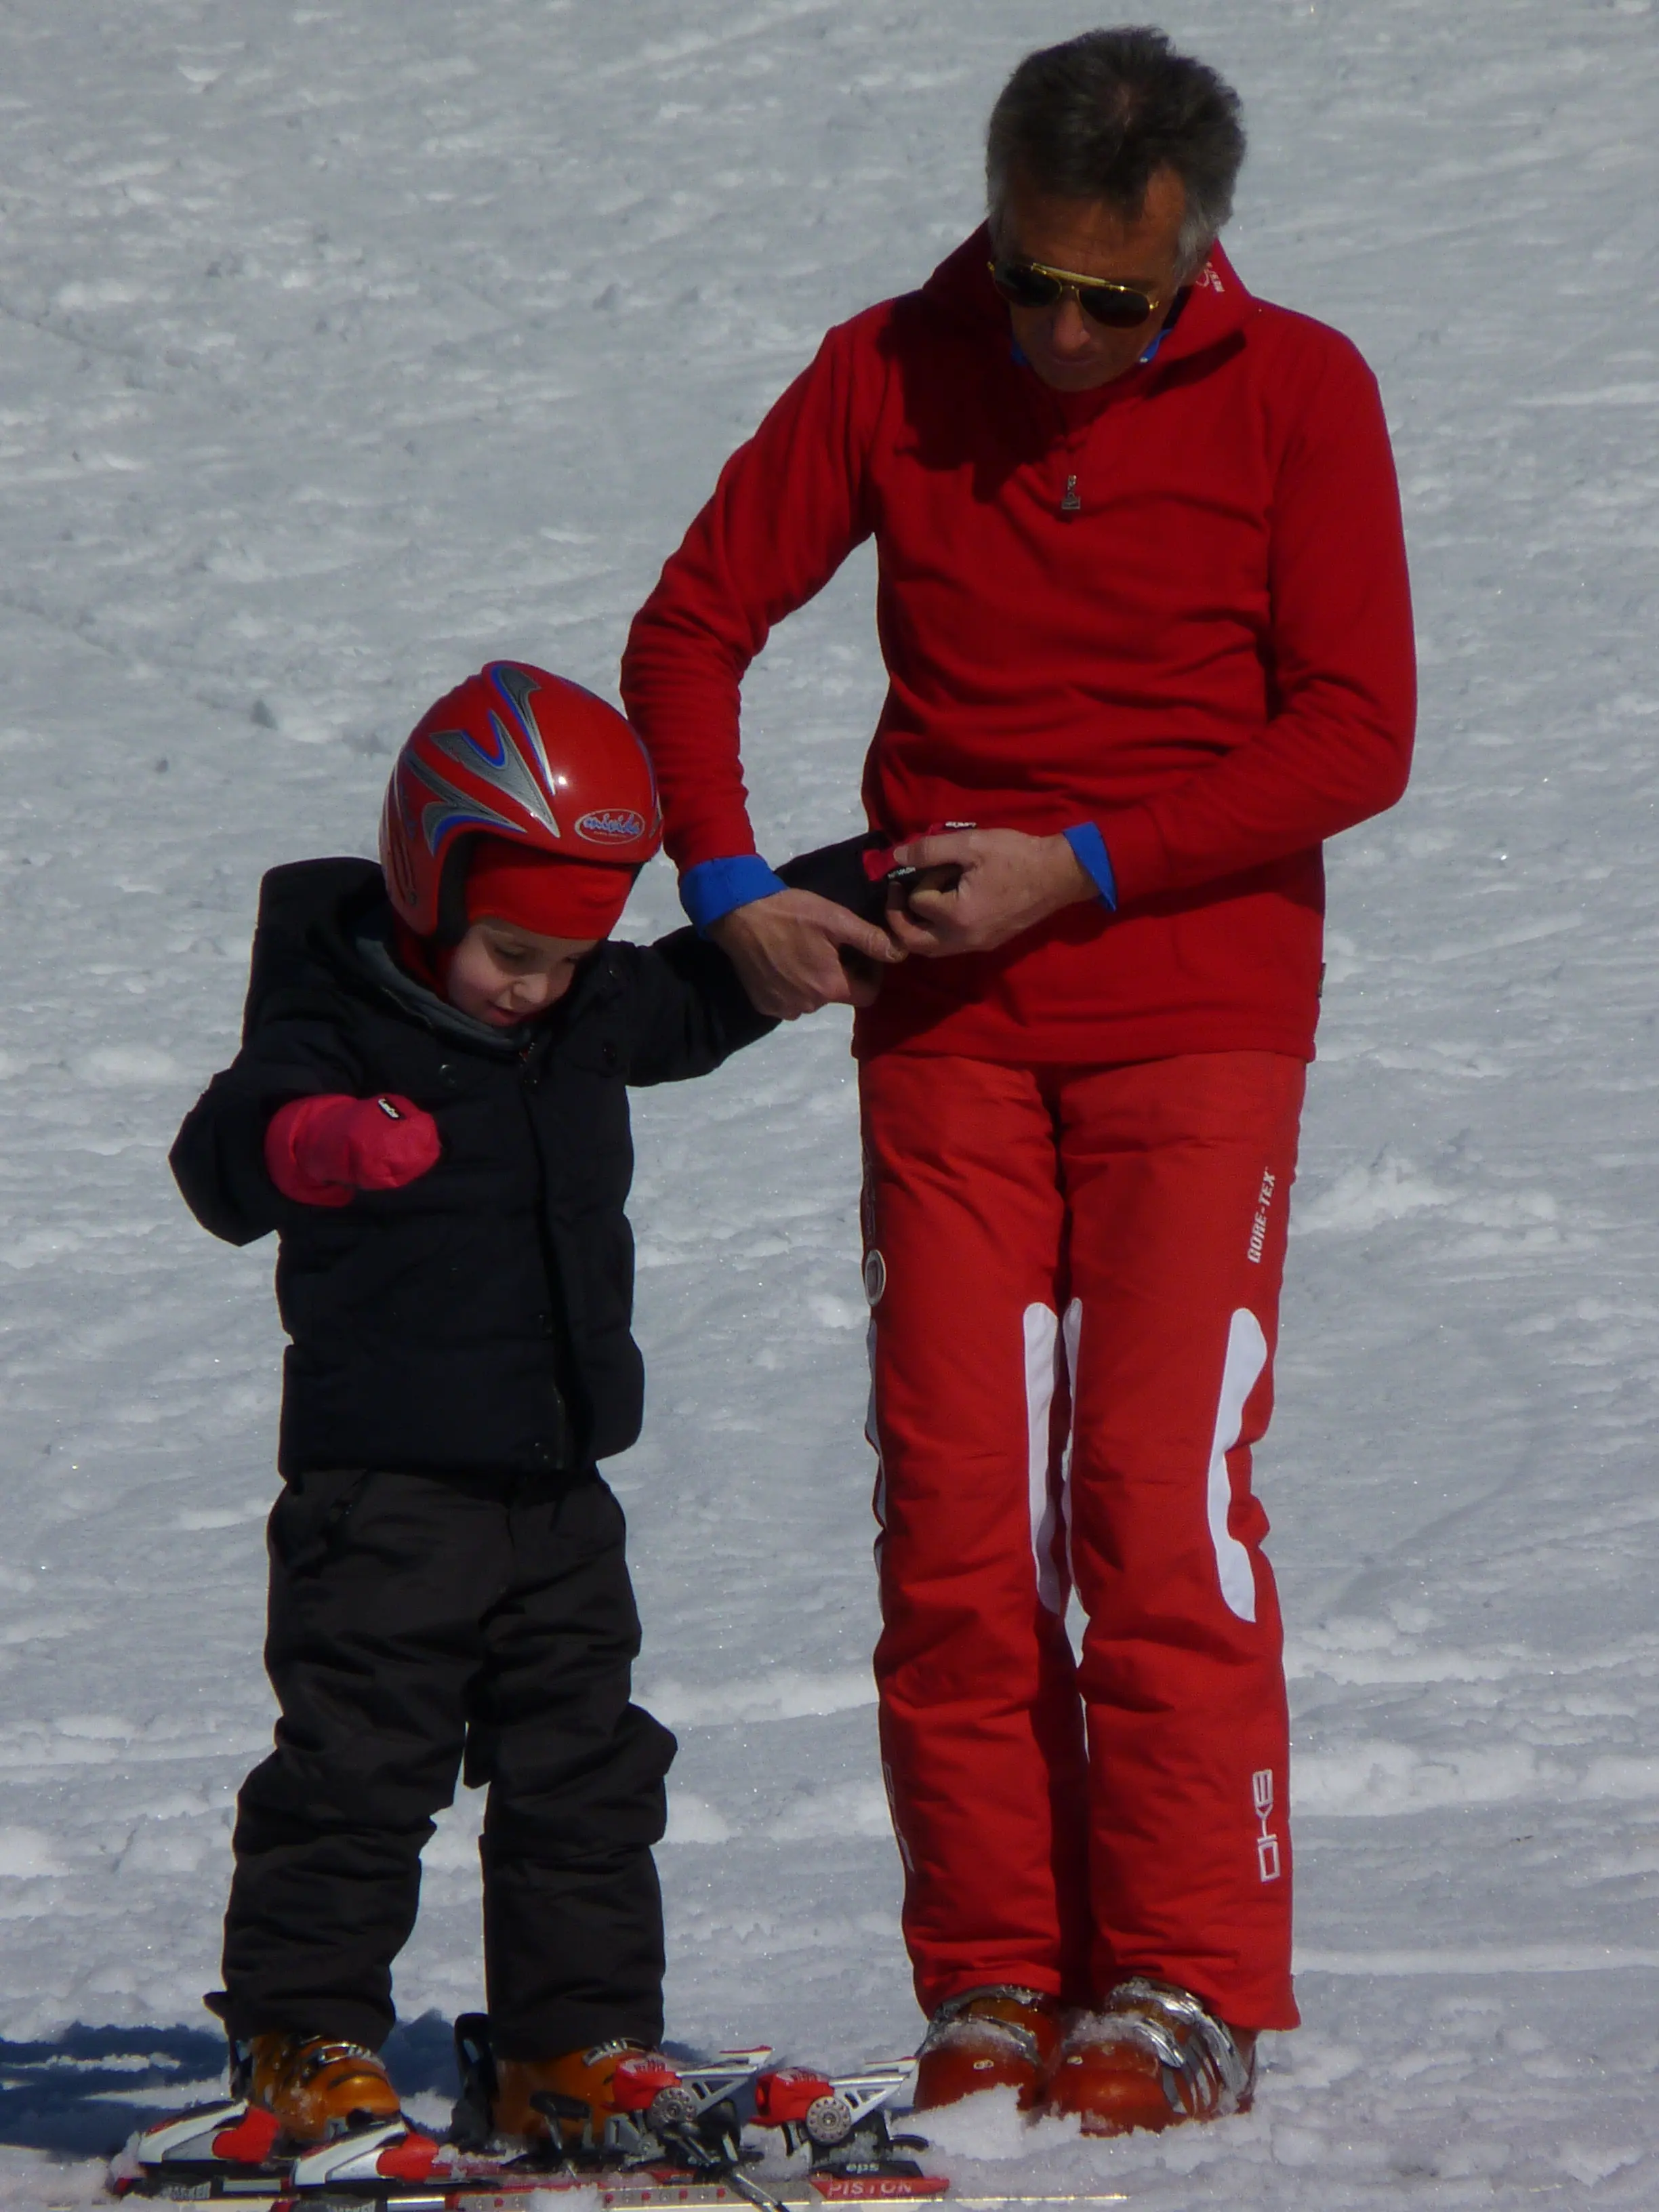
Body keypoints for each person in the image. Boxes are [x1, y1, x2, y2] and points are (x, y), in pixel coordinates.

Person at [619, 28, 1415, 2135]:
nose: (1058, 331)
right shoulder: (892, 364)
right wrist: (721, 885)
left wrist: (1082, 865)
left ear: (1200, 258)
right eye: (1029, 279)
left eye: (1112, 300)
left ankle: (1181, 1976)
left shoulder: (1307, 394)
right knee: (956, 1512)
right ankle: (989, 1965)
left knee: (1155, 1504)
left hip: (1197, 1015)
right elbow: (693, 627)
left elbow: (1358, 732)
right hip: (944, 1035)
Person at [168, 662, 796, 2152]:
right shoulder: (335, 1018)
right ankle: (302, 2041)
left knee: (589, 1770)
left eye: (571, 958)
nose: (540, 985)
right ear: (427, 882)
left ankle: (567, 2050)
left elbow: (704, 994)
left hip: (558, 1489)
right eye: (511, 950)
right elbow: (222, 1155)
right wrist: (314, 1143)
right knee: (359, 1768)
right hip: (380, 1492)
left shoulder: (578, 1010)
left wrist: (851, 894)